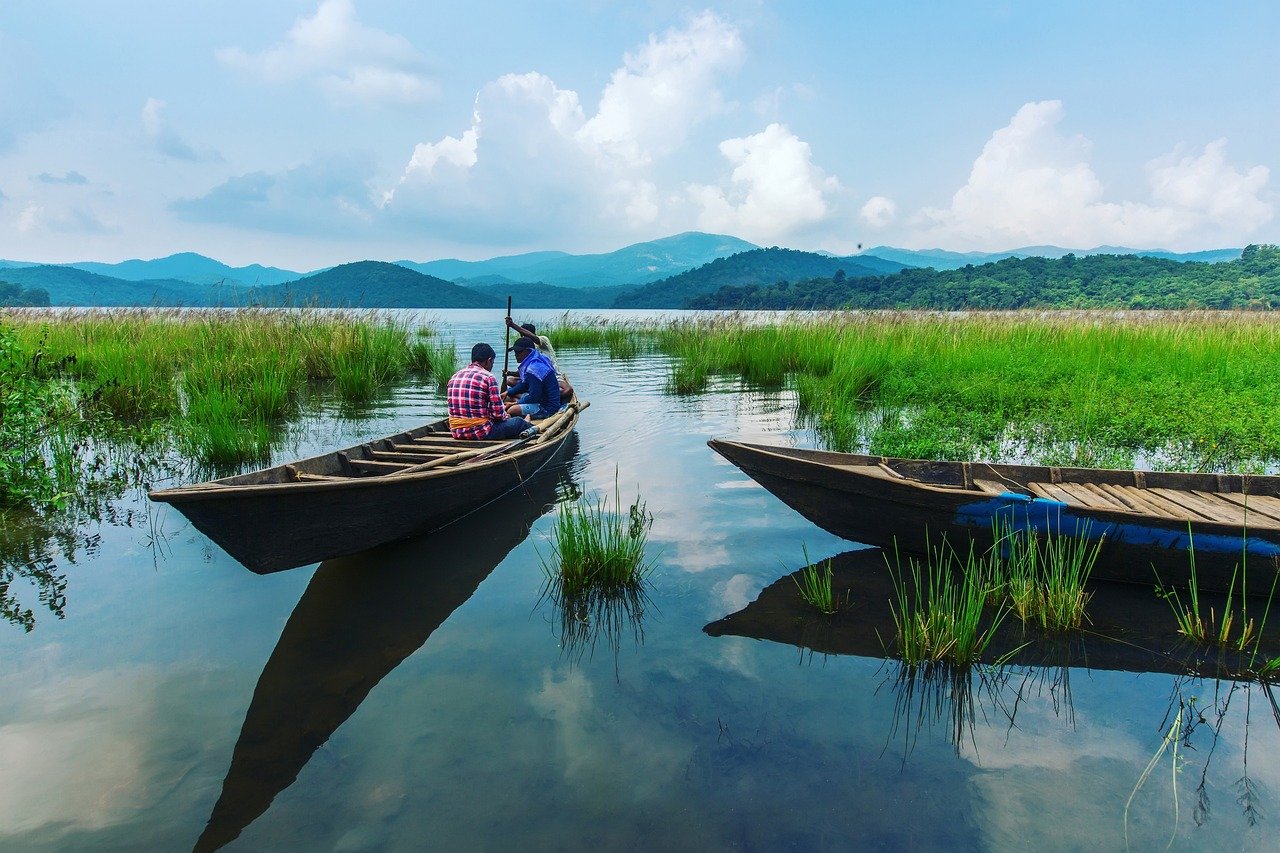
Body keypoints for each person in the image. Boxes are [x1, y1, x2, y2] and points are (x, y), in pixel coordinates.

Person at [446, 343, 534, 440]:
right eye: (492, 363)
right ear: (489, 361)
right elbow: (498, 415)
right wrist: (507, 417)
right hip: (481, 432)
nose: (491, 366)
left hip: (457, 432)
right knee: (518, 422)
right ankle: (528, 424)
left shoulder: (454, 377)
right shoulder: (488, 377)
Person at [503, 336, 562, 420]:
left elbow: (534, 397)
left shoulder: (533, 369)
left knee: (512, 410)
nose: (516, 355)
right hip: (541, 400)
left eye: (519, 352)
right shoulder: (535, 360)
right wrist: (508, 392)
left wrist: (514, 404)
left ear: (528, 351)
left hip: (547, 408)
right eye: (515, 352)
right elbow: (525, 384)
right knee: (510, 397)